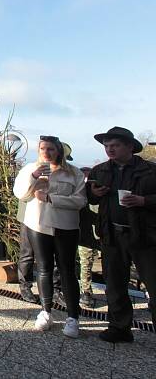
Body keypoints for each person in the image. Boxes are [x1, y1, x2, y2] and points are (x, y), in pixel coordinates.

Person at [87, 126, 156, 343]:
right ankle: (119, 328)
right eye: (107, 146)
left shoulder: (150, 170)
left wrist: (144, 201)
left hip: (144, 236)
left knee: (153, 283)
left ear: (129, 147)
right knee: (115, 283)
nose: (110, 149)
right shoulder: (100, 171)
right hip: (112, 235)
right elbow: (90, 198)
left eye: (115, 145)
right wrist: (93, 194)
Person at [13, 136, 86, 338]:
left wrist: (51, 198)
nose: (46, 152)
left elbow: (80, 200)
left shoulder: (73, 173)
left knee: (67, 270)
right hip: (37, 225)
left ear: (59, 151)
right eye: (42, 148)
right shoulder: (30, 169)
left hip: (66, 227)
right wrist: (34, 176)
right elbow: (19, 193)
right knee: (43, 268)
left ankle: (73, 317)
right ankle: (45, 311)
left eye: (51, 149)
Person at [77, 165, 100, 308]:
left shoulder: (100, 191)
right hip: (85, 234)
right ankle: (86, 292)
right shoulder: (78, 191)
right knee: (86, 263)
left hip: (102, 233)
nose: (87, 180)